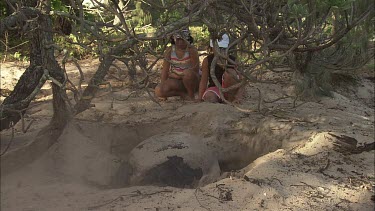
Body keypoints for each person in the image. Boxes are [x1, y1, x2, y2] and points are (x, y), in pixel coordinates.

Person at [154, 29, 200, 101]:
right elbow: (165, 71)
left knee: (187, 74)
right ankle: (182, 94)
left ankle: (191, 96)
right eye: (178, 39)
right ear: (174, 39)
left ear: (187, 39)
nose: (180, 42)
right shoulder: (169, 50)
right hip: (177, 80)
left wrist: (179, 76)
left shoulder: (192, 50)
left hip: (191, 80)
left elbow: (195, 70)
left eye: (183, 39)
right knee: (158, 90)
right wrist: (163, 85)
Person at [197, 33, 243, 103]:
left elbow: (242, 81)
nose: (220, 51)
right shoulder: (207, 60)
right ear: (212, 48)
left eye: (223, 48)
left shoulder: (233, 60)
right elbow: (204, 80)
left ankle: (230, 101)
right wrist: (200, 98)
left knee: (230, 73)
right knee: (209, 97)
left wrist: (239, 96)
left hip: (230, 89)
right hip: (215, 88)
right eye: (218, 48)